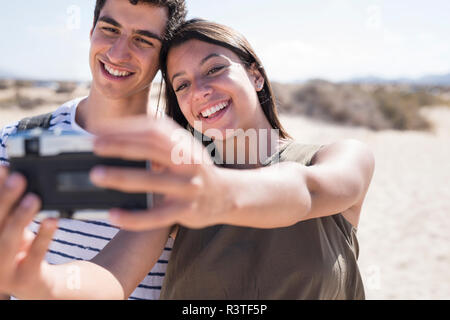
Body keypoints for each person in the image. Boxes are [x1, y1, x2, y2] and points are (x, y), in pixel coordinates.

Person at [0, 19, 375, 299]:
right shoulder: (179, 181)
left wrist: (221, 194)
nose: (200, 91)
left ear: (256, 76)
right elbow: (112, 277)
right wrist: (42, 282)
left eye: (214, 69)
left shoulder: (339, 156)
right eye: (181, 84)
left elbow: (305, 191)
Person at [0, 0, 187, 300]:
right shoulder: (14, 143)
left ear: (163, 58)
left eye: (142, 40)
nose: (117, 53)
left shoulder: (178, 159)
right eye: (110, 29)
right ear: (91, 31)